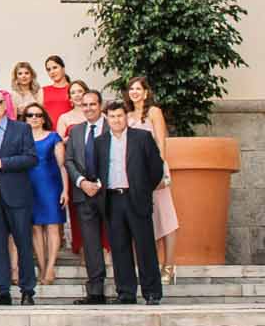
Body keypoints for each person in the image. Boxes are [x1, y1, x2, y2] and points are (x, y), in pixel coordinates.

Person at [101, 97, 166, 304]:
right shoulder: (100, 142)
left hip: (136, 198)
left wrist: (143, 189)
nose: (116, 120)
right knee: (119, 248)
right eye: (112, 116)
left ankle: (152, 293)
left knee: (145, 246)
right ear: (107, 119)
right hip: (112, 199)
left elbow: (156, 168)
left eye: (119, 115)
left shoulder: (142, 137)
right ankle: (126, 293)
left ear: (126, 117)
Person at [0, 88, 38, 306]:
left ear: (4, 105)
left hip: (17, 192)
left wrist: (1, 163)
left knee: (23, 241)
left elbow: (31, 158)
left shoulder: (20, 129)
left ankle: (27, 289)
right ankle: (2, 290)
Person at [128, 76, 180, 284]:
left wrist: (160, 170)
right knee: (142, 219)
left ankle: (169, 266)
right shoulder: (128, 115)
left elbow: (161, 142)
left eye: (138, 88)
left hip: (154, 171)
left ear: (146, 92)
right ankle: (146, 267)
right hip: (134, 175)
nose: (134, 92)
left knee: (165, 216)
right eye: (131, 88)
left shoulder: (153, 112)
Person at [64, 87, 112, 305]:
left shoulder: (113, 126)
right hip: (83, 194)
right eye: (85, 105)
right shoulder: (75, 131)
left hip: (110, 193)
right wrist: (82, 183)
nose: (89, 108)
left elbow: (117, 158)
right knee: (91, 244)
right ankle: (95, 291)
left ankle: (125, 289)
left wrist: (99, 183)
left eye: (93, 104)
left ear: (100, 105)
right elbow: (69, 161)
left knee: (117, 240)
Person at [25, 104, 67, 288]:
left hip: (50, 185)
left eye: (38, 115)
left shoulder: (53, 137)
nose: (34, 118)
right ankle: (42, 267)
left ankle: (51, 267)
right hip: (30, 186)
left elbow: (62, 165)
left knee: (52, 227)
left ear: (43, 118)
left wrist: (65, 190)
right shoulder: (23, 139)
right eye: (30, 115)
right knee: (35, 229)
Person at [42, 56, 76, 123]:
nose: (52, 72)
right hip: (49, 131)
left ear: (63, 68)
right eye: (49, 70)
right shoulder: (42, 91)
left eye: (55, 68)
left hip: (70, 130)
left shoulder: (74, 88)